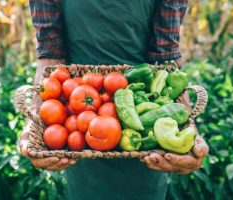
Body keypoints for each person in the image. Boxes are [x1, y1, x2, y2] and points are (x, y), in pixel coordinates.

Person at [20, 1, 209, 199]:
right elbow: (51, 54)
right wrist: (36, 119)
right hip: (77, 126)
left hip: (143, 119)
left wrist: (188, 127)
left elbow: (166, 58)